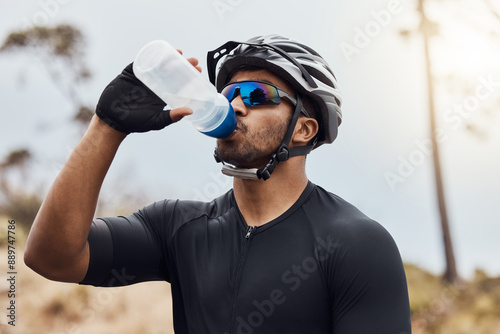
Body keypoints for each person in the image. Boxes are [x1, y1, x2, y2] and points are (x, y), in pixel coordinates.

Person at [25, 35, 412, 334]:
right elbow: (51, 257)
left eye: (257, 95)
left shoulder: (356, 243)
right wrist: (107, 127)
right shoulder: (177, 227)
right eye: (228, 93)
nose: (235, 105)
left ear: (304, 130)